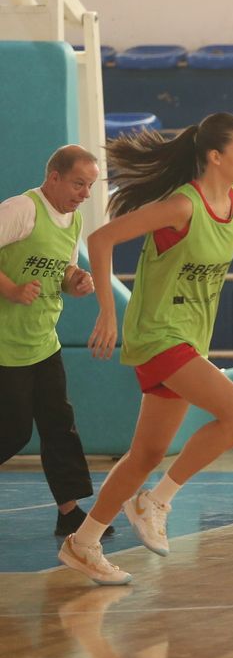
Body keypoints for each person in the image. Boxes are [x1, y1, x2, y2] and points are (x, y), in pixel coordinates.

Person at [58, 112, 233, 586]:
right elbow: (101, 239)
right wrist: (107, 310)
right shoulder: (182, 206)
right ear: (215, 156)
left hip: (188, 338)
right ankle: (156, 501)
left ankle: (83, 543)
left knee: (147, 453)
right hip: (158, 333)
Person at [0, 145, 111, 538]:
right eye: (79, 184)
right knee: (14, 430)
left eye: (90, 186)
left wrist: (74, 281)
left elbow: (60, 269)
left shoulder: (73, 220)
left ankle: (70, 512)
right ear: (54, 178)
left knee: (59, 425)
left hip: (43, 340)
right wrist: (12, 290)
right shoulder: (22, 210)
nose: (85, 193)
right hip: (5, 343)